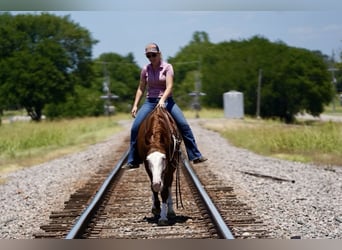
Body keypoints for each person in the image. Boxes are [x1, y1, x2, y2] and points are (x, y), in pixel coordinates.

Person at [125, 42, 207, 169]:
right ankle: (133, 160)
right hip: (150, 102)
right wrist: (135, 105)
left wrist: (162, 100)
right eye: (148, 56)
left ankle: (195, 155)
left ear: (159, 54)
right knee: (135, 128)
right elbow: (141, 88)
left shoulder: (167, 67)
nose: (151, 58)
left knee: (184, 124)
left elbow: (169, 86)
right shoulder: (145, 69)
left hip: (167, 101)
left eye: (153, 55)